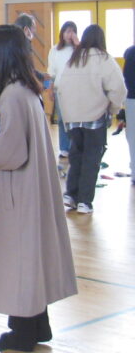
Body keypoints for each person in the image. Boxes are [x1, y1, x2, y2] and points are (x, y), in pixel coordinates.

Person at [0, 25, 77, 352]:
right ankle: (37, 323)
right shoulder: (26, 89)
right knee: (30, 256)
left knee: (19, 258)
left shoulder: (13, 95)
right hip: (33, 187)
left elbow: (9, 153)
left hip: (19, 190)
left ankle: (22, 331)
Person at [55, 24, 126, 214]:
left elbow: (61, 87)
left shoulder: (74, 59)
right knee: (91, 159)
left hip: (72, 119)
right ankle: (84, 201)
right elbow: (119, 89)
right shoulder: (104, 59)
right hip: (95, 117)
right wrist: (113, 109)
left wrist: (68, 114)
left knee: (76, 155)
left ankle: (71, 194)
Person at [46, 21, 78, 159]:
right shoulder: (55, 50)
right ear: (62, 33)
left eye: (72, 31)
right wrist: (49, 88)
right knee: (62, 120)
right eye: (67, 31)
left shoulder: (79, 49)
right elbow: (51, 72)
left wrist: (78, 44)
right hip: (60, 89)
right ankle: (64, 148)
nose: (69, 34)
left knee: (75, 119)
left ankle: (76, 147)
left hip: (76, 89)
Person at [124, 45, 134, 184]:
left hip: (132, 99)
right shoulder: (131, 52)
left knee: (132, 137)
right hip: (132, 98)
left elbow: (125, 79)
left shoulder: (130, 52)